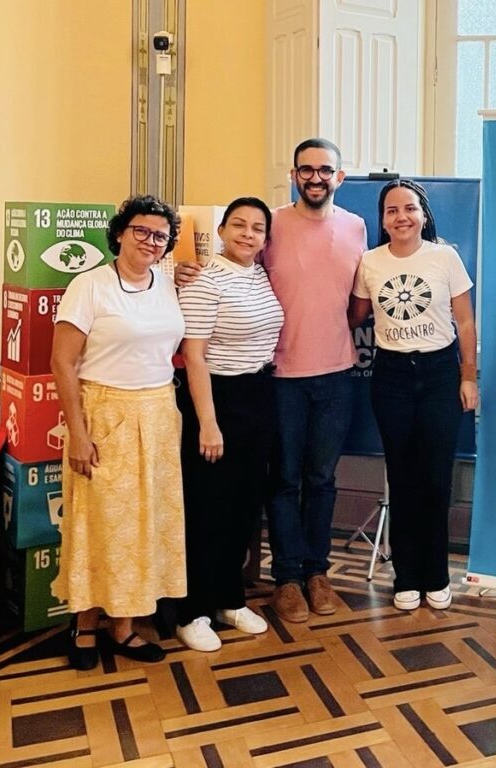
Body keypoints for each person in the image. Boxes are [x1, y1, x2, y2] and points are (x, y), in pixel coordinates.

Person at [177, 139, 367, 622]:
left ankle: (317, 573)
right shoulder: (271, 225)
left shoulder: (356, 227)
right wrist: (181, 269)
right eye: (306, 169)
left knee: (322, 480)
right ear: (293, 175)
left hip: (336, 376)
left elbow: (356, 301)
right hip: (279, 380)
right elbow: (232, 267)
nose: (315, 177)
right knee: (282, 481)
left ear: (339, 177)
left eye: (325, 169)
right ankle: (286, 579)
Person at [50, 195, 186, 669]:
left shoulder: (167, 284)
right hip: (105, 415)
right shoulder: (89, 286)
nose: (150, 241)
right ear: (120, 234)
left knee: (144, 526)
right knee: (98, 524)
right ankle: (86, 624)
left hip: (158, 414)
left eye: (160, 236)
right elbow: (62, 362)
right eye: (141, 231)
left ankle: (124, 626)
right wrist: (78, 432)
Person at [348, 179, 478, 611]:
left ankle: (436, 575)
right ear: (382, 220)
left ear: (424, 214)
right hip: (392, 377)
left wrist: (468, 377)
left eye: (409, 208)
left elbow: (465, 322)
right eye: (392, 210)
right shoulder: (369, 262)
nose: (401, 217)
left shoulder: (445, 257)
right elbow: (353, 316)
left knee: (436, 478)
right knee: (402, 479)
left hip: (440, 373)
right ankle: (405, 576)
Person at [174, 197, 284, 651]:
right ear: (221, 230)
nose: (247, 234)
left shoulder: (259, 275)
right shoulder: (204, 279)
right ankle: (192, 611)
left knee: (244, 505)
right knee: (208, 508)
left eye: (257, 228)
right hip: (216, 398)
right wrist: (208, 423)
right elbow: (194, 356)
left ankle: (228, 599)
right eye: (238, 224)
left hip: (258, 395)